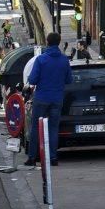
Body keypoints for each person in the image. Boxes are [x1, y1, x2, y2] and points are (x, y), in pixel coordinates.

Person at [25, 32, 73, 167]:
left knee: (35, 128)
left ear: (47, 42)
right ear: (59, 42)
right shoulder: (64, 60)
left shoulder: (41, 59)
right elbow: (69, 80)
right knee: (53, 128)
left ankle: (32, 157)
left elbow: (33, 79)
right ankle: (53, 158)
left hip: (41, 98)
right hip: (57, 98)